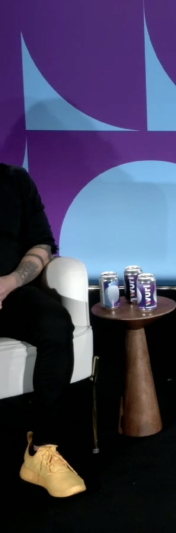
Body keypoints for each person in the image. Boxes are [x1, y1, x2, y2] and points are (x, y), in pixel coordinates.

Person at [0, 163, 86, 497]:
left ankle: (41, 452)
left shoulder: (14, 179)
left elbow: (42, 244)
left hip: (11, 291)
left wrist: (11, 281)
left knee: (55, 323)